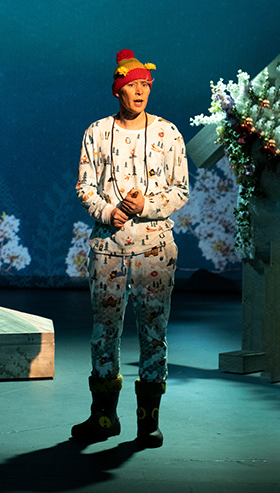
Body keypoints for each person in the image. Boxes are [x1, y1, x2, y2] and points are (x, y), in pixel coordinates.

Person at [72, 49, 189, 448]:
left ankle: (147, 420)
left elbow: (181, 189)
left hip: (155, 248)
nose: (139, 92)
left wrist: (146, 206)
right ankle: (103, 416)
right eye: (132, 86)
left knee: (154, 332)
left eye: (145, 85)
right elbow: (85, 186)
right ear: (117, 90)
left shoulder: (168, 133)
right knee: (104, 333)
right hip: (108, 249)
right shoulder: (96, 132)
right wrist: (109, 212)